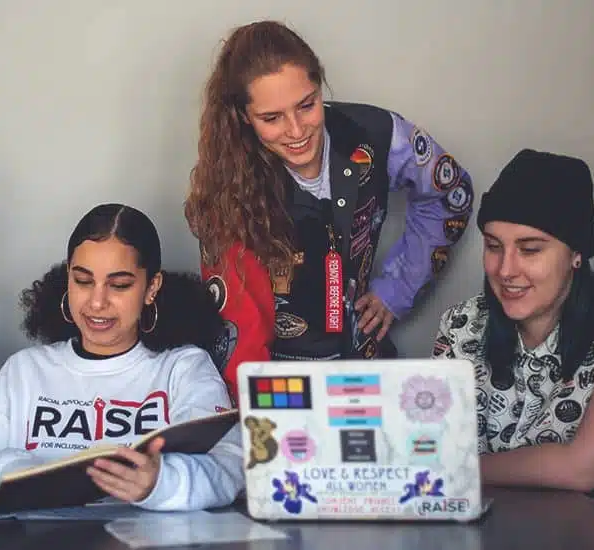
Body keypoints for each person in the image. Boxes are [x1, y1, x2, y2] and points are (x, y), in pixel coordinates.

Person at [184, 20, 475, 398]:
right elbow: (239, 334)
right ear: (242, 116)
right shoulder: (227, 188)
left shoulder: (375, 133)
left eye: (306, 105)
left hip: (368, 366)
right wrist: (264, 414)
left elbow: (451, 193)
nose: (296, 129)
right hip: (282, 386)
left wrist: (397, 289)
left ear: (320, 86)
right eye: (271, 118)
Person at [0, 204, 242, 511]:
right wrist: (19, 473)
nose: (96, 302)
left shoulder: (184, 368)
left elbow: (230, 467)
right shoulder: (25, 371)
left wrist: (161, 483)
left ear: (151, 288)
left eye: (119, 285)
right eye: (83, 281)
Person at [432, 149, 594, 527]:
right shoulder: (463, 323)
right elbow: (435, 447)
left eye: (530, 249)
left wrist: (460, 469)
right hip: (506, 534)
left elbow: (585, 468)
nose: (506, 269)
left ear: (576, 253)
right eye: (494, 246)